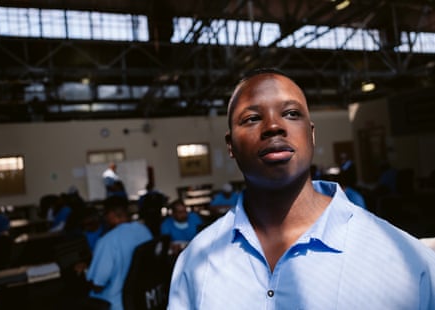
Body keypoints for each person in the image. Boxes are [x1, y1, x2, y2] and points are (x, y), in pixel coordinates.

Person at [167, 68, 435, 309]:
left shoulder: (410, 263)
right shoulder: (195, 264)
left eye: (291, 114)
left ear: (311, 133)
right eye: (251, 118)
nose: (273, 126)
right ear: (230, 146)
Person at [86, 196, 152, 310]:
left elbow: (98, 285)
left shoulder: (107, 241)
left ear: (111, 214)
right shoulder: (143, 229)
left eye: (105, 215)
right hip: (143, 297)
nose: (104, 219)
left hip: (116, 304)